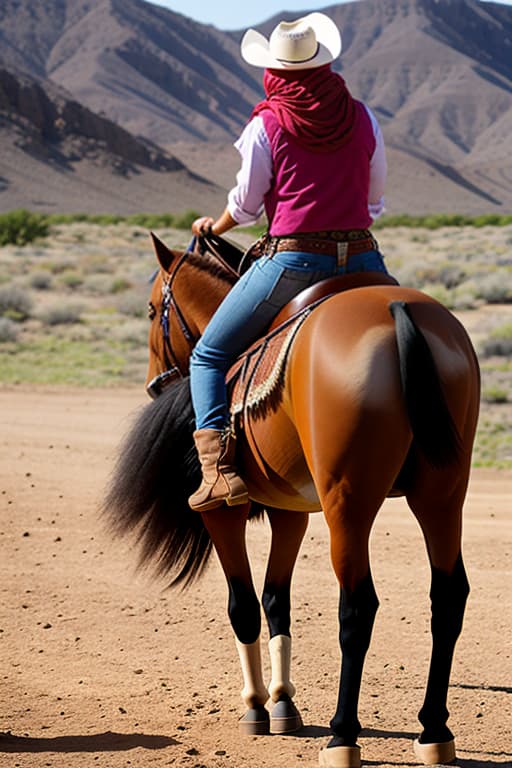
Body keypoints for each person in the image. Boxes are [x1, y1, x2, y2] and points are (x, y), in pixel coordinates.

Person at [188, 12, 388, 512]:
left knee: (208, 355)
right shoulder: (362, 116)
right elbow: (376, 199)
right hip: (363, 255)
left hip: (295, 259)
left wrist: (215, 226)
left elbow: (248, 204)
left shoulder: (268, 123)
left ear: (275, 71)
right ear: (324, 65)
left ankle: (216, 472)